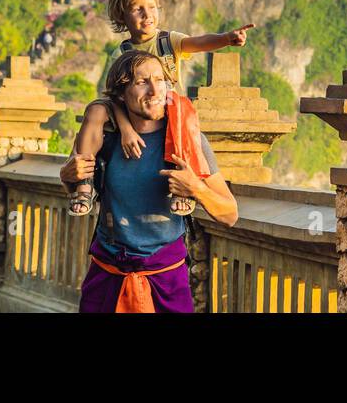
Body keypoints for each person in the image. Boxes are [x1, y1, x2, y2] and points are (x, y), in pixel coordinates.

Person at [60, 50, 239, 313]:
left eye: (160, 80)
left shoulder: (189, 140)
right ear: (121, 93)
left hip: (166, 279)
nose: (155, 90)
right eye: (142, 82)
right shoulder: (105, 138)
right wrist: (67, 176)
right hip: (108, 273)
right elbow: (78, 191)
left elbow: (230, 214)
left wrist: (196, 189)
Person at [67, 0, 253, 218]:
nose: (147, 15)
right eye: (138, 9)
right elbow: (113, 98)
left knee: (183, 113)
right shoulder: (121, 53)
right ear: (121, 16)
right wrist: (126, 130)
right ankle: (84, 185)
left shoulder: (168, 41)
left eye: (152, 7)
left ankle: (183, 189)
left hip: (170, 111)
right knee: (96, 109)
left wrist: (226, 38)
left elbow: (198, 42)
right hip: (130, 115)